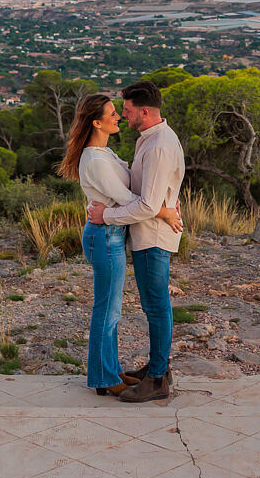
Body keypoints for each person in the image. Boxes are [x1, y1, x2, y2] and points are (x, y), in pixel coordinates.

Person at [58, 92, 182, 396]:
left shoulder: (106, 154)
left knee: (111, 309)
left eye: (120, 111)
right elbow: (130, 199)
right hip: (104, 236)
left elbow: (133, 189)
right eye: (113, 113)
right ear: (97, 123)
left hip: (112, 234)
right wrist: (165, 210)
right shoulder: (95, 159)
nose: (119, 117)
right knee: (107, 310)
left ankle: (110, 372)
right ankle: (104, 378)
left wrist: (163, 203)